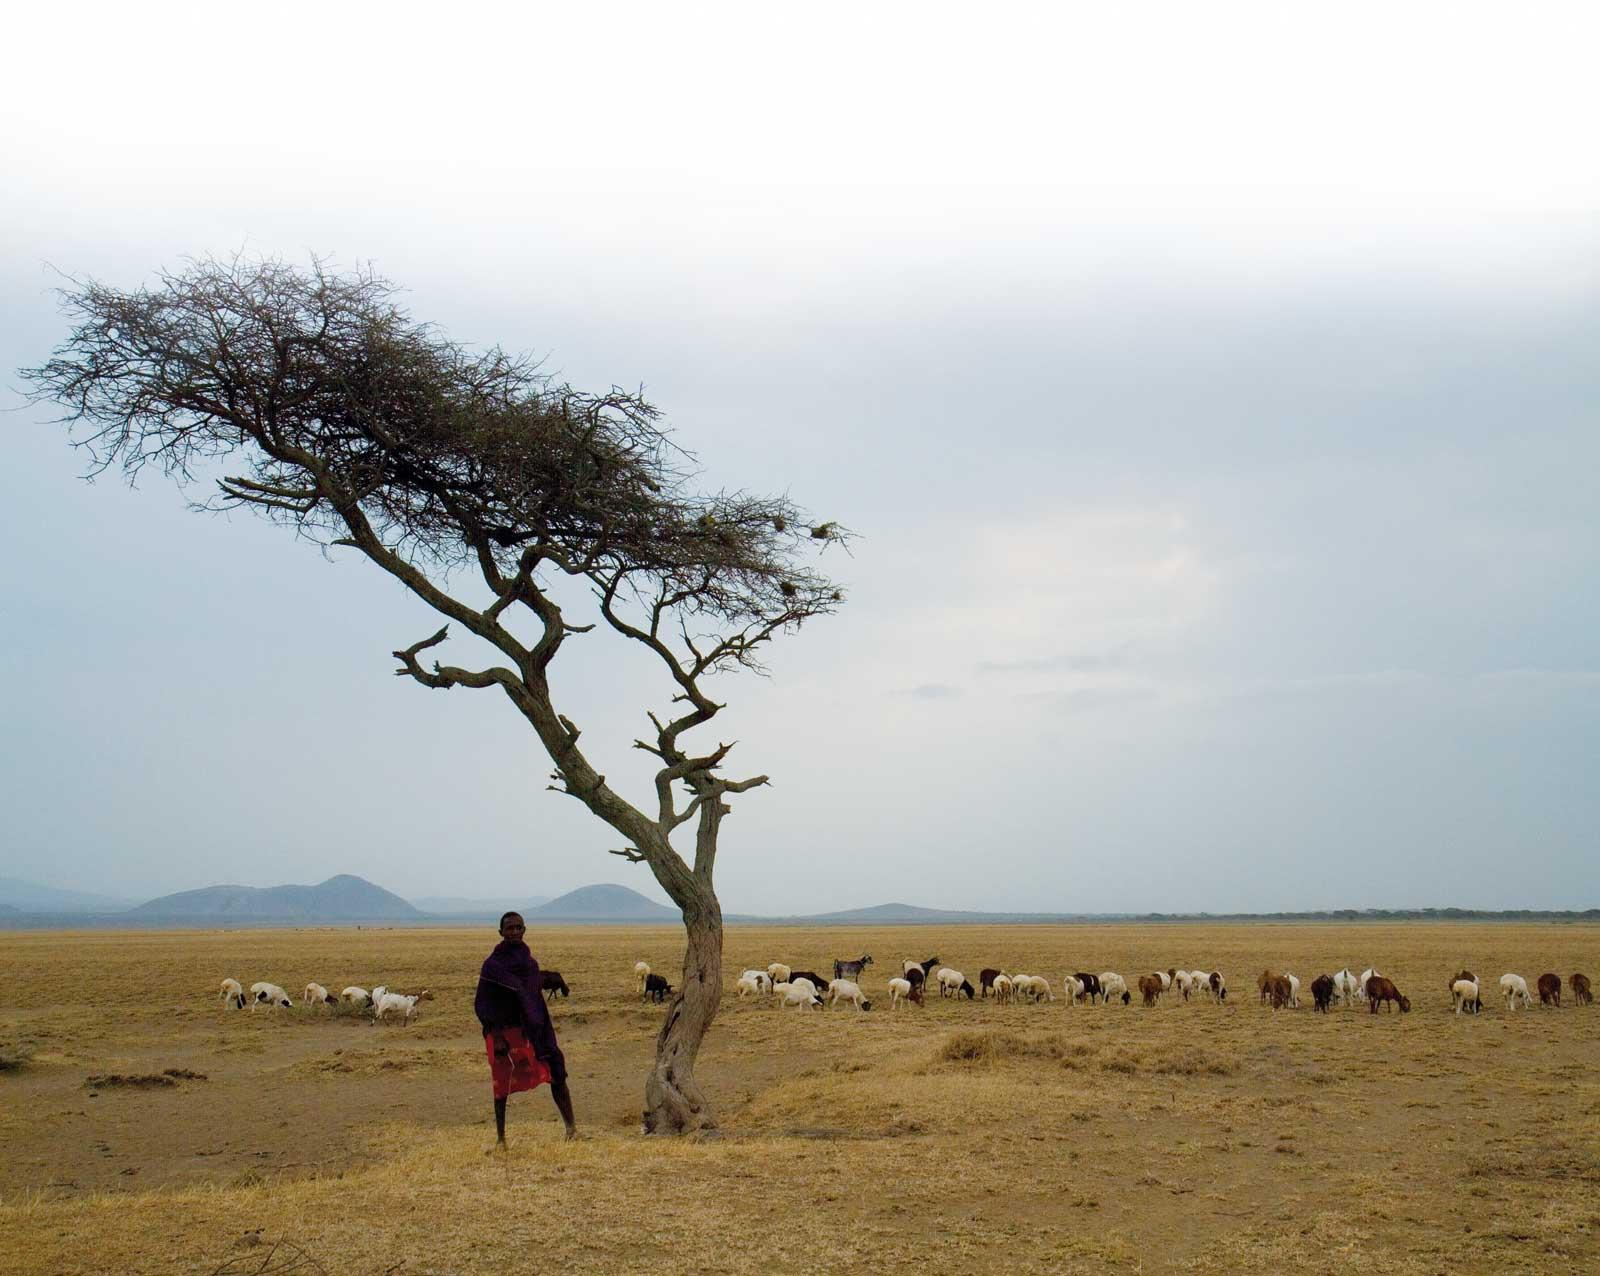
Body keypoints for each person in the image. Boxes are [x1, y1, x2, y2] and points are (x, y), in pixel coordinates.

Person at [474, 911, 577, 1145]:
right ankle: (501, 1139)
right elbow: (482, 1003)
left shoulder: (530, 964)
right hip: (505, 1032)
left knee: (556, 1073)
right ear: (500, 932)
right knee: (501, 1084)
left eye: (518, 928)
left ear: (524, 930)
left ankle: (571, 1128)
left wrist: (540, 1025)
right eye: (509, 928)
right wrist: (496, 1035)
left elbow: (533, 998)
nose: (514, 932)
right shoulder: (492, 966)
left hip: (535, 1030)